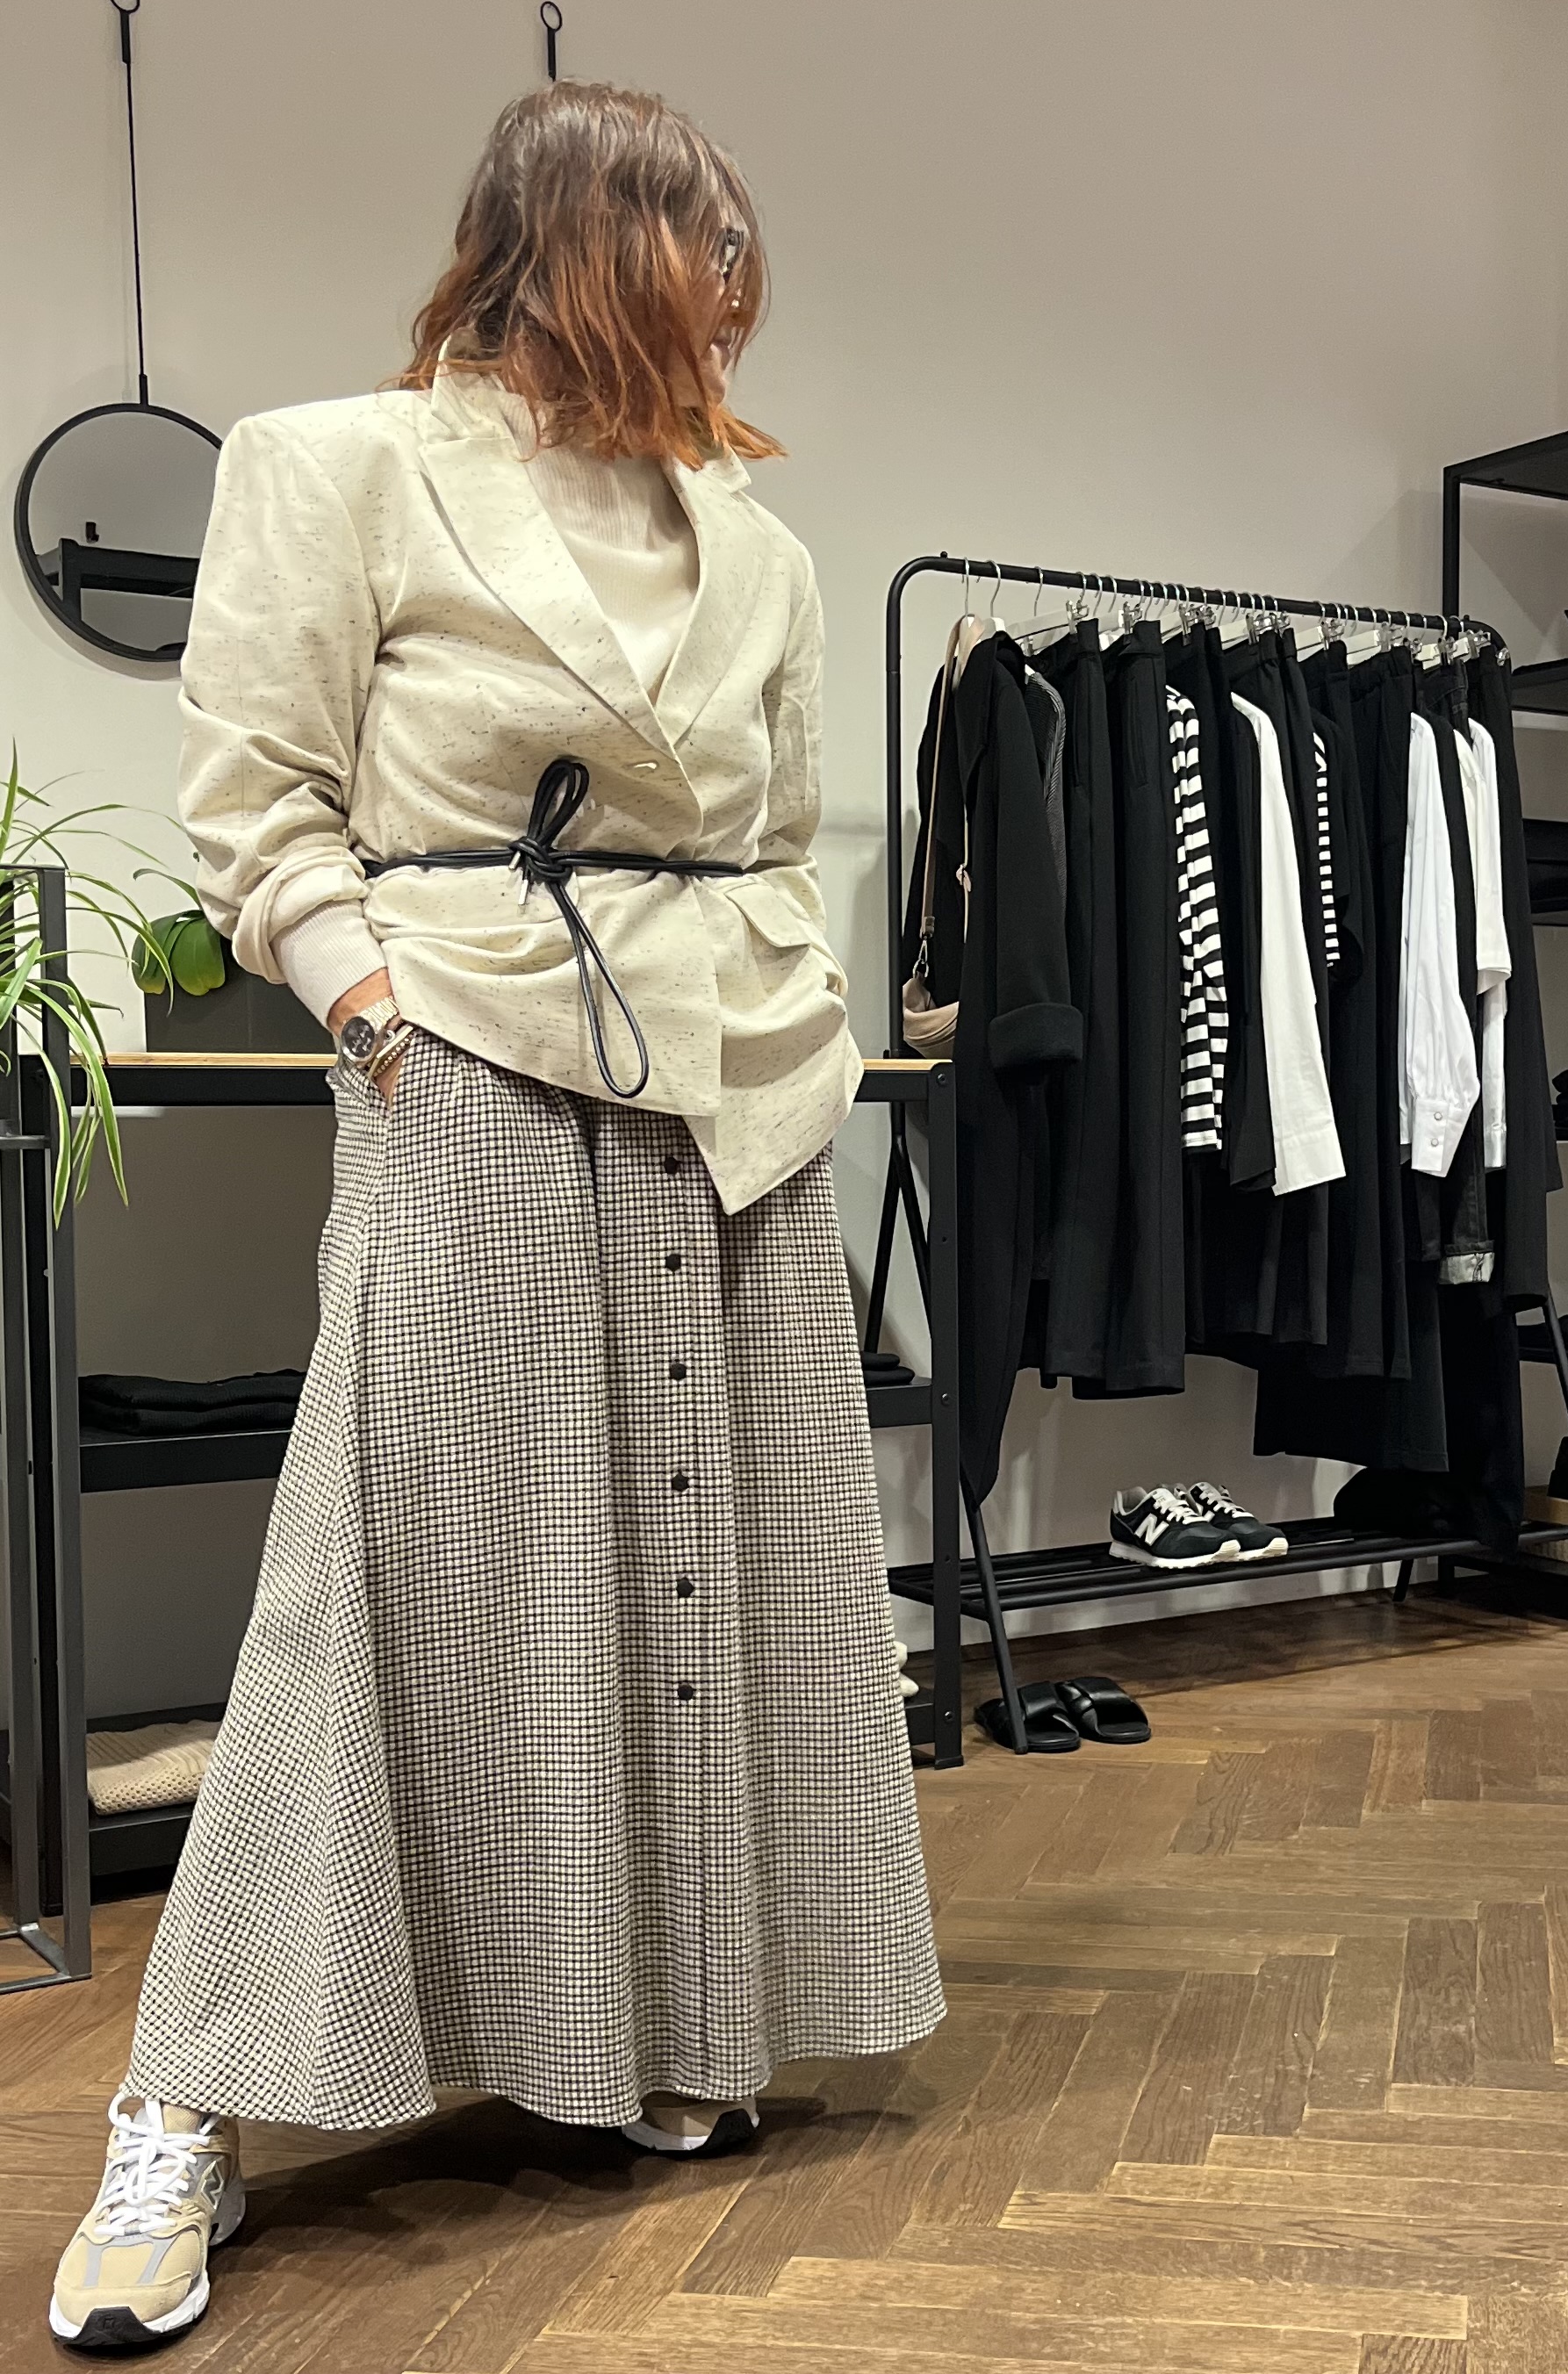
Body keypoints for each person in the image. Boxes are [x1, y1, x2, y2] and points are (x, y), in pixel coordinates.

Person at [51, 80, 944, 2353]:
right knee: (381, 1577)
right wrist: (372, 1008)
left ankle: (645, 2030)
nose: (730, 309)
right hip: (467, 1047)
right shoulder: (333, 463)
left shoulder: (758, 546)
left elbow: (780, 833)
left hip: (737, 1093)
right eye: (703, 261)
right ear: (578, 250)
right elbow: (257, 799)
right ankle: (183, 2109)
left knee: (708, 1572)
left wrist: (807, 1019)